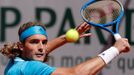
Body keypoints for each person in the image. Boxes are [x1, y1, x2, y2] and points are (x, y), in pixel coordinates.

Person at [0, 21, 130, 75]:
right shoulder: (31, 68)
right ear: (22, 46)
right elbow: (77, 73)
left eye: (44, 42)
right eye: (34, 42)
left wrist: (66, 38)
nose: (41, 47)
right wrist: (115, 49)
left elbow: (41, 50)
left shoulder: (15, 61)